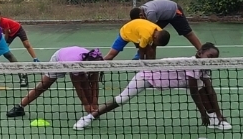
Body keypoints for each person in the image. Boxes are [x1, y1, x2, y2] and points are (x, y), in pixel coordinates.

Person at [75, 43, 231, 131]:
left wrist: (219, 114)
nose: (211, 60)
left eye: (214, 59)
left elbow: (210, 91)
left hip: (165, 80)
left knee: (203, 88)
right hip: (148, 76)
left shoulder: (204, 67)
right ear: (200, 53)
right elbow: (193, 92)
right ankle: (88, 118)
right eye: (209, 56)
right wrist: (202, 113)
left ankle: (214, 119)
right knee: (121, 99)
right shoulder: (192, 64)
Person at [6, 47, 104, 118]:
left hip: (74, 59)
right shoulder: (75, 64)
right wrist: (86, 105)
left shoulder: (95, 62)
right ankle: (20, 107)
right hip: (59, 60)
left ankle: (92, 110)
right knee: (44, 85)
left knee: (86, 83)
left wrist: (95, 104)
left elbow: (94, 84)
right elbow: (78, 86)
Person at [129, 0, 203, 50]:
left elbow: (150, 31)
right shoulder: (140, 11)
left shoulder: (150, 14)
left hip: (174, 11)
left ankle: (201, 50)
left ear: (141, 15)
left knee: (187, 33)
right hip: (163, 16)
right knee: (154, 37)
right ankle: (150, 58)